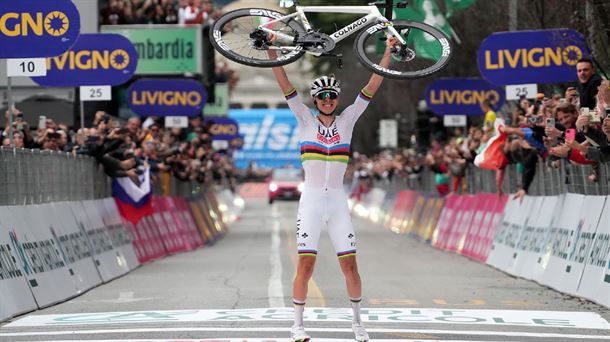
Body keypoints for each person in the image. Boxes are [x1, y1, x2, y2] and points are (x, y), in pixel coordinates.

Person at [268, 36, 398, 342]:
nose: (327, 99)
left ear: (337, 98)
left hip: (338, 202)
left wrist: (389, 52)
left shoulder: (348, 120)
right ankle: (297, 326)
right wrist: (271, 50)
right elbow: (283, 81)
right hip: (311, 201)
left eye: (332, 95)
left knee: (350, 266)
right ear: (315, 100)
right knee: (306, 265)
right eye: (322, 96)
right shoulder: (304, 119)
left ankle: (357, 323)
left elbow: (373, 85)